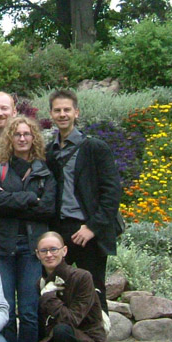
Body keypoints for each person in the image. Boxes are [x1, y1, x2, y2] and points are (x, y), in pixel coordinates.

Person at [0, 116, 57, 342]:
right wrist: (28, 198)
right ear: (10, 138)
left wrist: (11, 202)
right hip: (1, 246)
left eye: (27, 134)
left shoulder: (44, 172)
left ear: (34, 138)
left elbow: (48, 208)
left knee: (28, 310)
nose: (22, 138)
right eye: (17, 134)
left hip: (31, 248)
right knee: (5, 308)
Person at [45, 89, 121, 314]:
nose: (62, 114)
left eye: (67, 110)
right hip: (59, 230)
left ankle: (99, 334)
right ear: (51, 114)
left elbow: (112, 193)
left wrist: (92, 227)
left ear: (76, 112)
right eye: (57, 110)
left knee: (94, 291)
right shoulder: (49, 151)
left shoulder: (94, 148)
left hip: (88, 231)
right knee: (59, 292)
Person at [26, 232, 110, 342]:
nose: (49, 255)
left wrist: (49, 297)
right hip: (60, 341)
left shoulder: (82, 277)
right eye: (44, 251)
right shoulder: (42, 283)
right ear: (37, 254)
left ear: (64, 251)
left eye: (53, 249)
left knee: (62, 331)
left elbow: (71, 320)